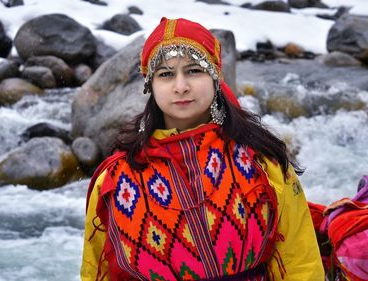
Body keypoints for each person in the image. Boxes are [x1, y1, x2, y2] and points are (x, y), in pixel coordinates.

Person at [81, 17, 324, 281]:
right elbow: (97, 271)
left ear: (216, 76)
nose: (181, 86)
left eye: (194, 70)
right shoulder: (116, 180)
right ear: (150, 85)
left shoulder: (262, 163)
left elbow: (300, 262)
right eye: (165, 74)